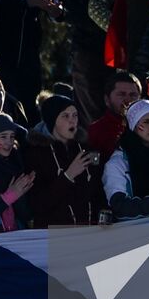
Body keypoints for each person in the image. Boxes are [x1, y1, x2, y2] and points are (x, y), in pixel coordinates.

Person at [23, 93, 103, 227]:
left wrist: (104, 212)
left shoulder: (86, 148)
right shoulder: (34, 153)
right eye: (65, 116)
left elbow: (98, 188)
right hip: (53, 238)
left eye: (75, 115)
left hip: (88, 231)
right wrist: (68, 175)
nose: (72, 121)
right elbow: (37, 204)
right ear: (52, 119)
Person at [85, 70, 143, 161]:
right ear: (107, 100)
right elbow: (93, 168)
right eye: (121, 94)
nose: (128, 100)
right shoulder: (95, 132)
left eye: (133, 95)